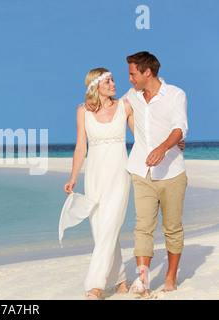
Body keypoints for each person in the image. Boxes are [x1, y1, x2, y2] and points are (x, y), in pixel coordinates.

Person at [64, 68, 133, 300]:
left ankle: (96, 287)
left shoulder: (125, 106)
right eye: (108, 81)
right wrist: (73, 177)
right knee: (101, 230)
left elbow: (142, 138)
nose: (114, 83)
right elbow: (81, 147)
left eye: (112, 79)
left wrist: (170, 145)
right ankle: (121, 280)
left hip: (119, 173)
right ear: (95, 86)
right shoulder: (82, 111)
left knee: (110, 225)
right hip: (94, 174)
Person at [123, 51, 188, 297]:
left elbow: (179, 127)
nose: (130, 79)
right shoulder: (132, 96)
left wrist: (164, 147)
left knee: (172, 227)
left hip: (171, 172)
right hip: (141, 170)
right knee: (143, 227)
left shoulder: (175, 94)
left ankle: (171, 277)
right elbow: (117, 110)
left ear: (146, 72)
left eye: (132, 74)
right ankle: (143, 280)